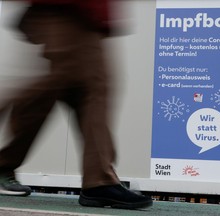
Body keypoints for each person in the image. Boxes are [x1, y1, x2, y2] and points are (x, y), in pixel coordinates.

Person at [0, 0, 153, 209]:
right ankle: (99, 181)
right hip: (67, 11)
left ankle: (99, 181)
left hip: (80, 15)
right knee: (79, 89)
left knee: (69, 91)